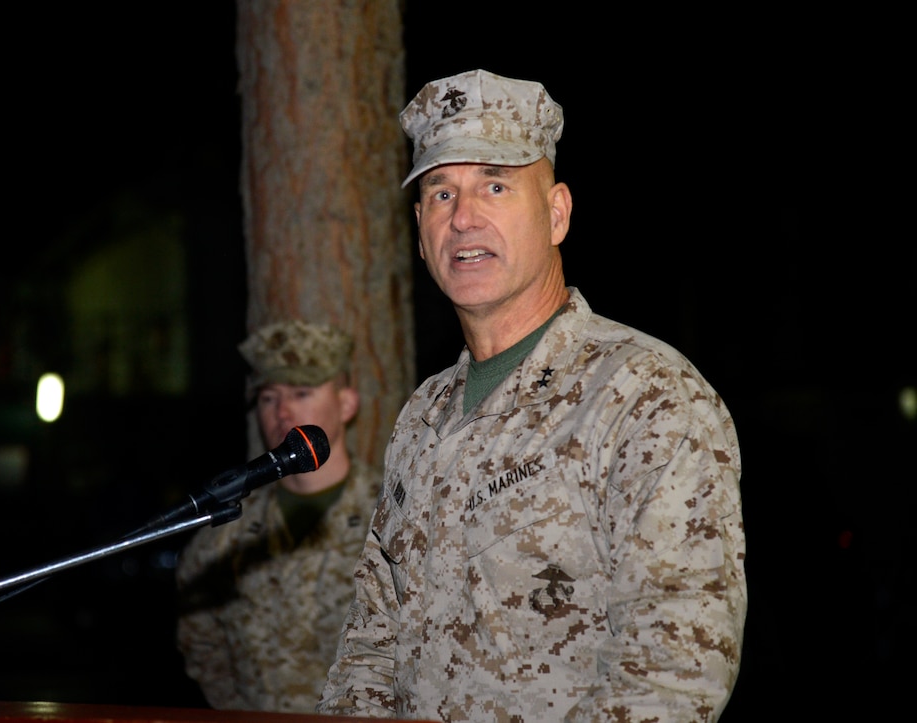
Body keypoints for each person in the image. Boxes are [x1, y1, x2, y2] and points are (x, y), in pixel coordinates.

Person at [317, 69, 747, 722]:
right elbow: (374, 641)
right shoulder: (422, 419)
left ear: (556, 213)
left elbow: (676, 671)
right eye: (440, 193)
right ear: (420, 230)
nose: (463, 217)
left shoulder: (646, 396)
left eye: (495, 184)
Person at [175, 319, 382, 713]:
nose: (282, 411)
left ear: (346, 404)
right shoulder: (226, 532)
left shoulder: (393, 514)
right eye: (268, 398)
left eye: (302, 393)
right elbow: (201, 643)